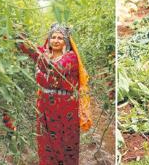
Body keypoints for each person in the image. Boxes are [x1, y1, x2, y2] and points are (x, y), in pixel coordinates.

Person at [16, 24, 92, 165]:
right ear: (49, 39)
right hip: (44, 106)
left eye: (60, 38)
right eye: (53, 37)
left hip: (64, 108)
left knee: (64, 142)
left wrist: (35, 53)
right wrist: (17, 35)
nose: (56, 40)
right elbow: (26, 49)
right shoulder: (44, 54)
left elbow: (54, 69)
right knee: (46, 142)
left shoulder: (71, 58)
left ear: (66, 42)